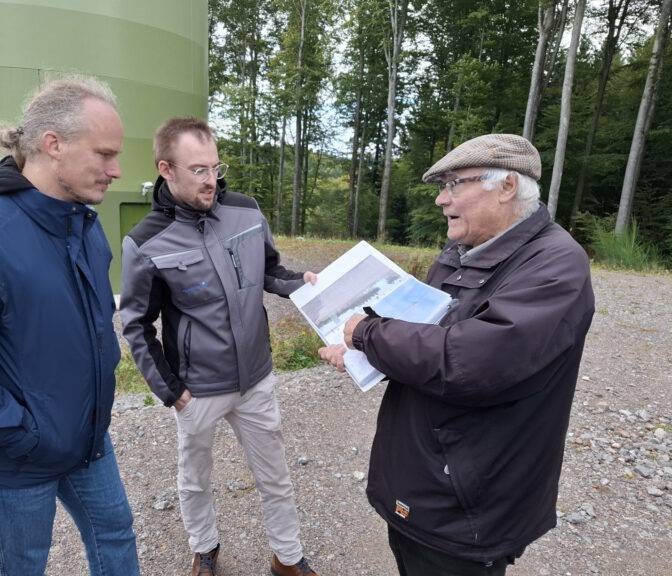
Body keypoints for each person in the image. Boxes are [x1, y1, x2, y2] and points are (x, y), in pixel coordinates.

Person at [319, 134, 595, 575]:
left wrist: (367, 333)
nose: (440, 199)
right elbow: (427, 337)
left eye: (453, 184)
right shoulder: (459, 253)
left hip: (471, 501)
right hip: (422, 479)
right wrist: (361, 345)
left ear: (506, 187)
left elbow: (472, 361)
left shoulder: (555, 264)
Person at [0, 76, 140, 576]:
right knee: (21, 565)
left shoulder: (83, 224)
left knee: (116, 536)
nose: (116, 170)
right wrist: (25, 436)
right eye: (103, 154)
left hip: (87, 440)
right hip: (15, 456)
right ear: (52, 145)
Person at [120, 117, 319, 576]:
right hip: (198, 388)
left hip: (256, 379)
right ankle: (205, 548)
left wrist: (302, 285)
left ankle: (287, 559)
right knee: (194, 480)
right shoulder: (147, 241)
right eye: (198, 170)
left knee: (276, 477)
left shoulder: (246, 211)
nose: (212, 179)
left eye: (215, 166)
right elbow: (136, 324)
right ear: (166, 169)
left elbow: (270, 271)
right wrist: (172, 391)